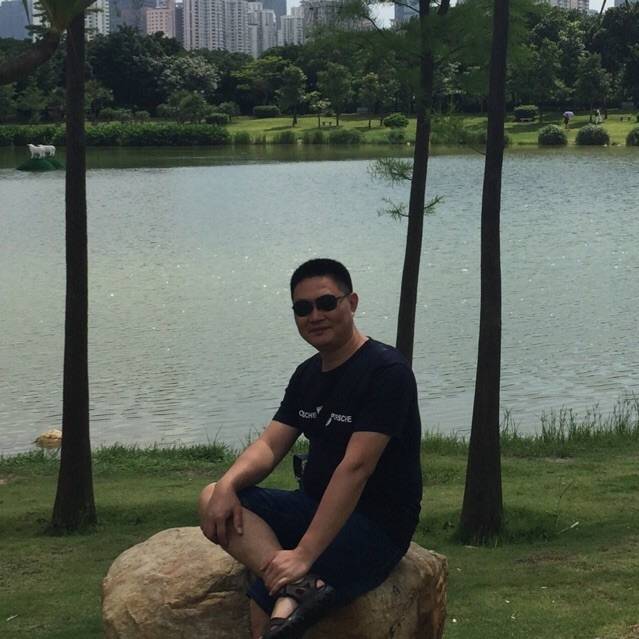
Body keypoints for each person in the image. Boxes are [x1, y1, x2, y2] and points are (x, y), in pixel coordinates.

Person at [199, 258, 423, 639]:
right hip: (314, 510)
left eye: (326, 303)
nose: (315, 316)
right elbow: (270, 445)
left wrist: (304, 553)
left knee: (269, 611)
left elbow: (356, 468)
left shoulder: (386, 372)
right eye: (303, 308)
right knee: (212, 498)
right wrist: (227, 484)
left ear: (352, 302)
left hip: (375, 528)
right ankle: (293, 582)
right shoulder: (307, 375)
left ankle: (286, 586)